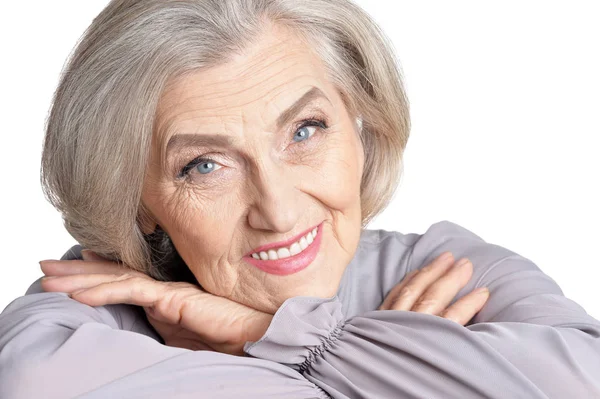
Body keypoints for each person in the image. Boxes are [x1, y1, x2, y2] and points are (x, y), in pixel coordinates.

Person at [1, 0, 599, 398]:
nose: (280, 211)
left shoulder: (447, 265)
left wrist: (269, 332)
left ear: (360, 119)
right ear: (137, 202)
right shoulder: (70, 325)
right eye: (205, 165)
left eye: (304, 131)